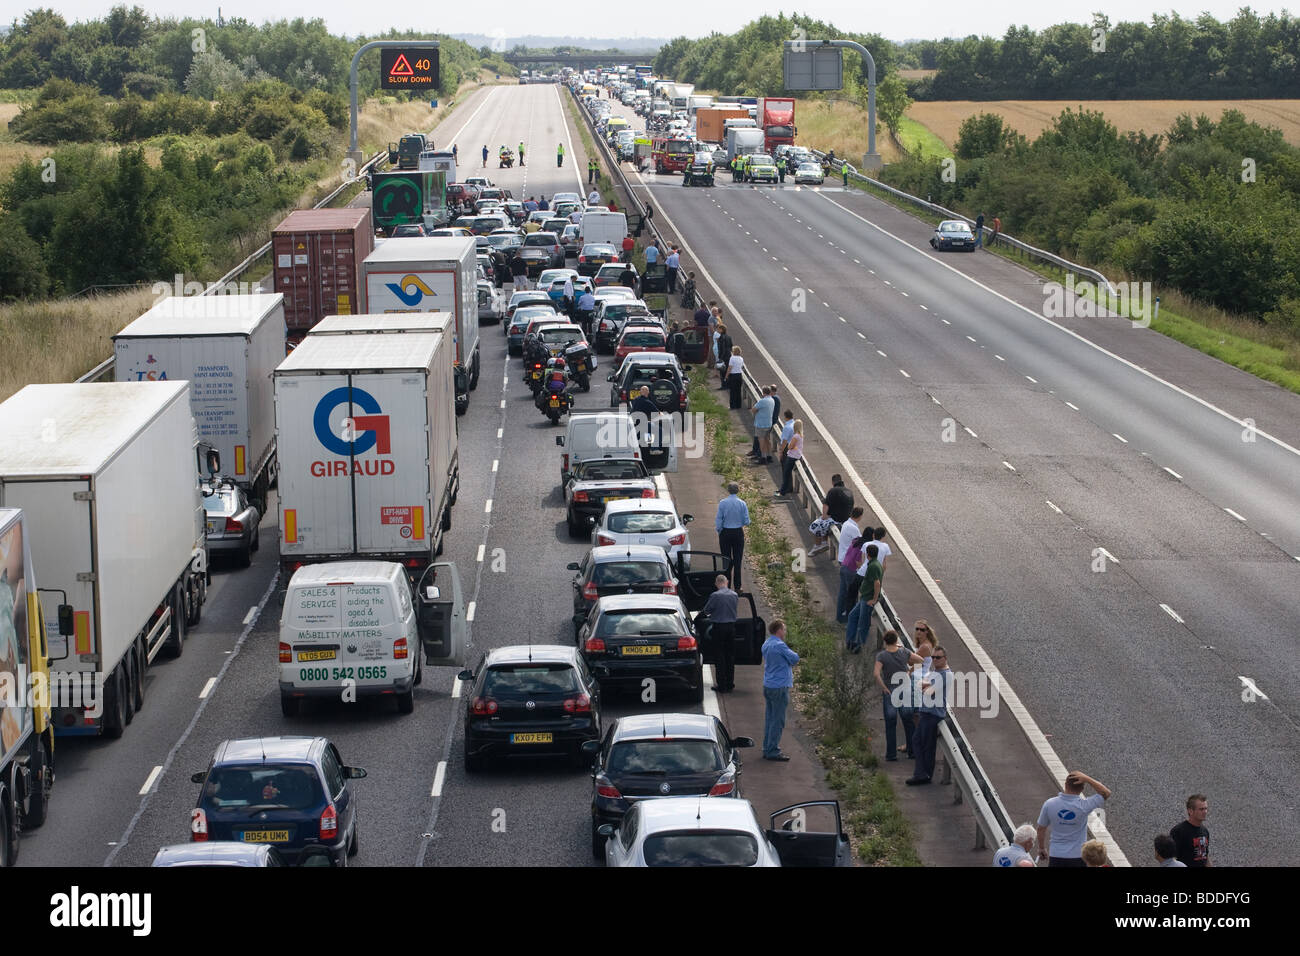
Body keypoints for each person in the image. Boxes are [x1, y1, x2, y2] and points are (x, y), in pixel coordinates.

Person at [1035, 771, 1112, 866]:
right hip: (1078, 856)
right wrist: (1087, 779)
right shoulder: (1084, 806)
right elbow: (1106, 793)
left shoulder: (1049, 804)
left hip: (1056, 854)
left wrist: (1041, 848)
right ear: (1082, 789)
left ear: (1065, 785)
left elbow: (1041, 829)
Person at [906, 643, 952, 786]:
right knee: (919, 742)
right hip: (926, 712)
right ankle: (922, 773)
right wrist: (926, 685)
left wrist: (926, 686)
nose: (935, 660)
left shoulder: (945, 675)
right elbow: (920, 684)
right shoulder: (935, 673)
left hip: (933, 714)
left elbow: (928, 691)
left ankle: (923, 774)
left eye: (938, 657)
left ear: (945, 658)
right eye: (933, 657)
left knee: (924, 744)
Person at [875, 629, 923, 761]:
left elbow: (876, 673)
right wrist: (910, 672)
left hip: (890, 690)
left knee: (890, 722)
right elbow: (920, 660)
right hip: (905, 689)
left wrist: (884, 687)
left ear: (885, 641)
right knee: (908, 720)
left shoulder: (882, 656)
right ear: (896, 640)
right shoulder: (904, 652)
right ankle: (912, 752)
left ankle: (891, 755)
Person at [761, 620, 798, 761]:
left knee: (770, 718)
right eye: (784, 629)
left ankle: (767, 746)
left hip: (768, 684)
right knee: (778, 720)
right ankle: (772, 750)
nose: (785, 632)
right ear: (779, 630)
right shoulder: (780, 646)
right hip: (779, 687)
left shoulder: (766, 644)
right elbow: (795, 658)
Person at [700, 574, 739, 692]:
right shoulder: (735, 595)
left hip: (719, 627)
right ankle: (730, 683)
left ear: (717, 583)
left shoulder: (715, 595)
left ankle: (721, 684)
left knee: (719, 656)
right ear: (726, 582)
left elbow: (707, 610)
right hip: (731, 628)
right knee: (730, 656)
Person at [846, 542, 881, 652]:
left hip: (867, 599)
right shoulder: (874, 564)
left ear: (867, 554)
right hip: (864, 597)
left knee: (863, 623)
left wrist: (874, 599)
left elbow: (877, 583)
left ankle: (859, 646)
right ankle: (850, 641)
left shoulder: (873, 566)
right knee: (852, 616)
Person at [715, 482, 749, 590]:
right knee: (737, 560)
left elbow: (719, 519)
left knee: (726, 560)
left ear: (728, 490)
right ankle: (738, 587)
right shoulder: (742, 503)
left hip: (725, 532)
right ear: (737, 490)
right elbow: (746, 521)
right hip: (738, 532)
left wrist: (720, 530)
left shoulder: (723, 503)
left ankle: (726, 586)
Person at [810, 474, 853, 555]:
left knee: (816, 524)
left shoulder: (833, 491)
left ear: (833, 482)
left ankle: (819, 545)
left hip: (836, 519)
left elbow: (826, 505)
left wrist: (824, 516)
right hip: (846, 520)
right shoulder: (849, 491)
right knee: (825, 523)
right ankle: (824, 542)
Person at [835, 507, 865, 621]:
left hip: (842, 559)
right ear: (860, 516)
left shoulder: (846, 523)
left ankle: (840, 616)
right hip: (849, 563)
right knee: (851, 593)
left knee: (843, 591)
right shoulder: (854, 529)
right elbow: (860, 545)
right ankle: (850, 616)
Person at [1171, 794, 1210, 867]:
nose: (1205, 812)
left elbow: (1205, 857)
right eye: (1201, 809)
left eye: (1206, 808)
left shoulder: (1205, 831)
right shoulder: (1178, 831)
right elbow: (1172, 860)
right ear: (1190, 811)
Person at [775, 418, 803, 497]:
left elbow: (790, 446)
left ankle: (782, 492)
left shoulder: (795, 436)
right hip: (797, 455)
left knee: (786, 473)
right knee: (787, 473)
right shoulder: (801, 435)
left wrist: (790, 445)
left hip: (792, 456)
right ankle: (784, 490)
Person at [751, 386, 775, 465]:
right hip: (769, 423)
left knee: (761, 441)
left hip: (761, 424)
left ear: (763, 392)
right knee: (767, 440)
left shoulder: (762, 401)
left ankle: (763, 458)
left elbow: (753, 409)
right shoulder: (772, 400)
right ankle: (769, 456)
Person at [714, 324, 732, 389]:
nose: (718, 330)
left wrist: (721, 358)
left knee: (722, 371)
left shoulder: (721, 338)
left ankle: (724, 385)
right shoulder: (729, 337)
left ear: (722, 330)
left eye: (719, 329)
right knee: (727, 370)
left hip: (723, 357)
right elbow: (731, 346)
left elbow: (722, 348)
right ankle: (728, 384)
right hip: (728, 356)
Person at [726, 345, 744, 410]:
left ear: (734, 351)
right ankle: (738, 405)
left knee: (733, 391)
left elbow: (729, 368)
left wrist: (726, 376)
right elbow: (741, 367)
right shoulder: (741, 358)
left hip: (733, 376)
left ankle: (732, 406)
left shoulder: (732, 358)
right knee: (738, 391)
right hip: (739, 375)